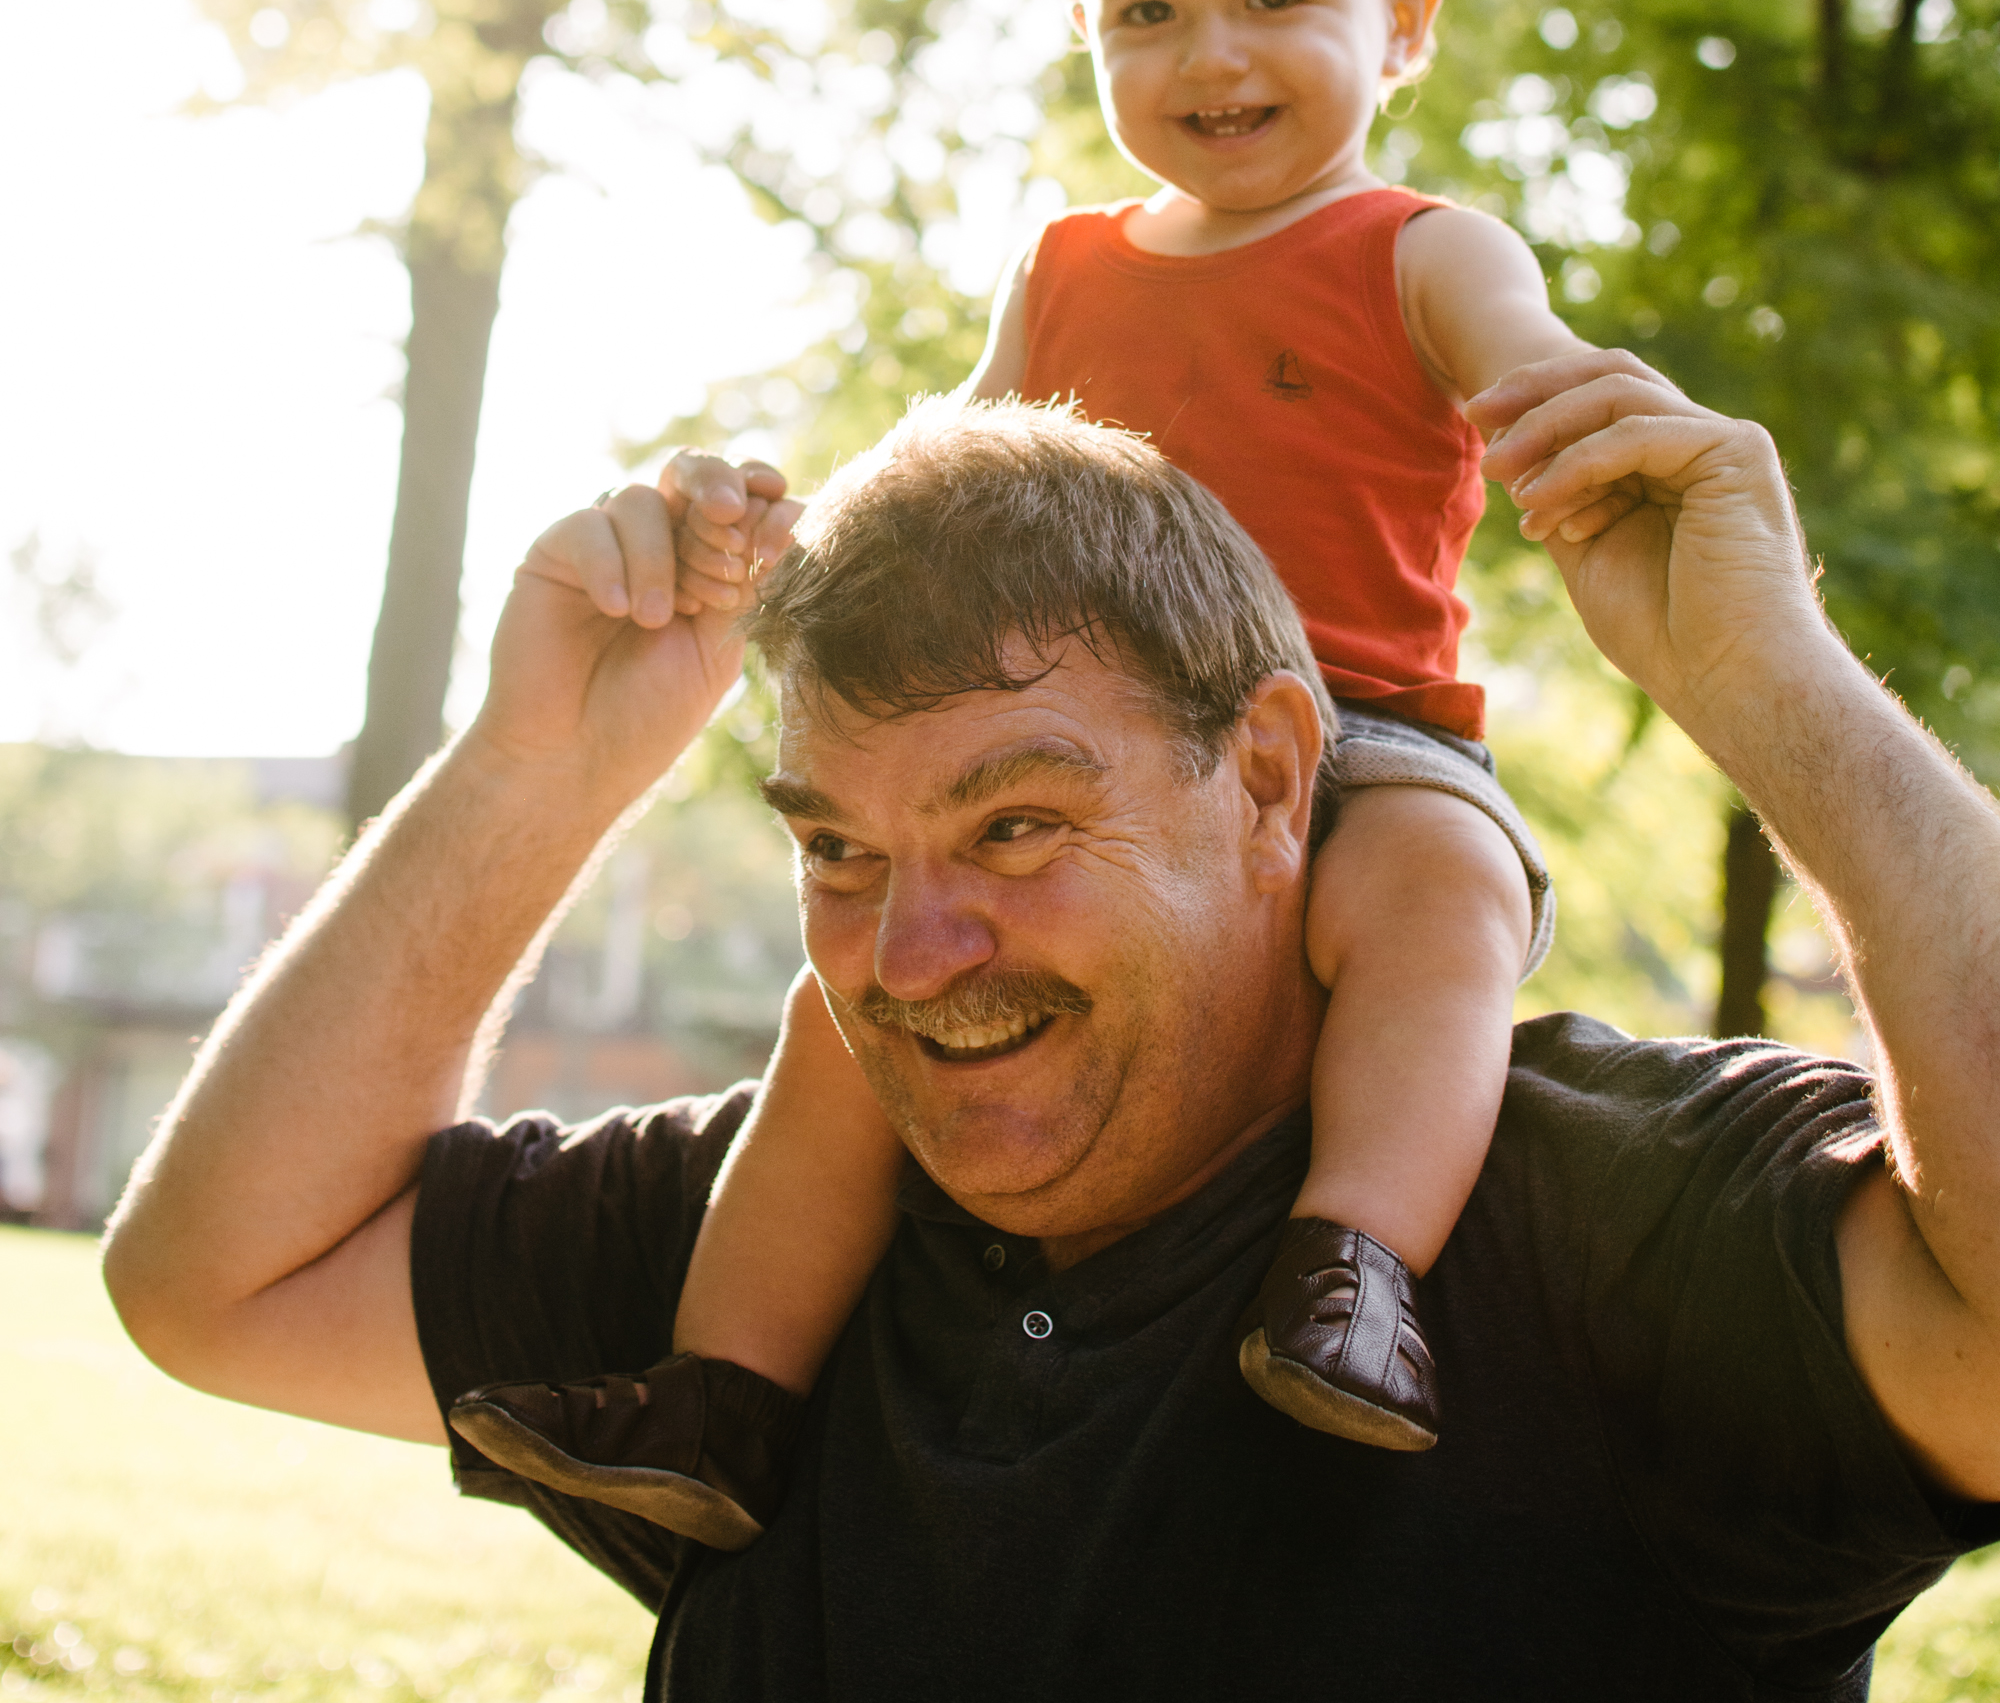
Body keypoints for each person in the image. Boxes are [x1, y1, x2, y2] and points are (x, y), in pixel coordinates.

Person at [103, 364, 2000, 1700]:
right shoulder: (779, 1248)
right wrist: (540, 769)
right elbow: (218, 1277)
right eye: (837, 847)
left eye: (1017, 825)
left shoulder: (1608, 1214)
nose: (910, 954)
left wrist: (1779, 696)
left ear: (1268, 777)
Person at [454, 0, 1600, 1536]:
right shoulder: (1068, 269)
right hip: (1075, 768)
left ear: (1404, 23)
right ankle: (721, 1398)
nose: (1210, 56)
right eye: (1146, 12)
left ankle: (1354, 1278)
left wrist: (1618, 442)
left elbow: (1549, 382)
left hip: (1364, 734)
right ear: (1086, 31)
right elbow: (944, 465)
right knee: (857, 1016)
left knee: (1444, 901)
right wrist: (780, 532)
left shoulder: (1423, 254)